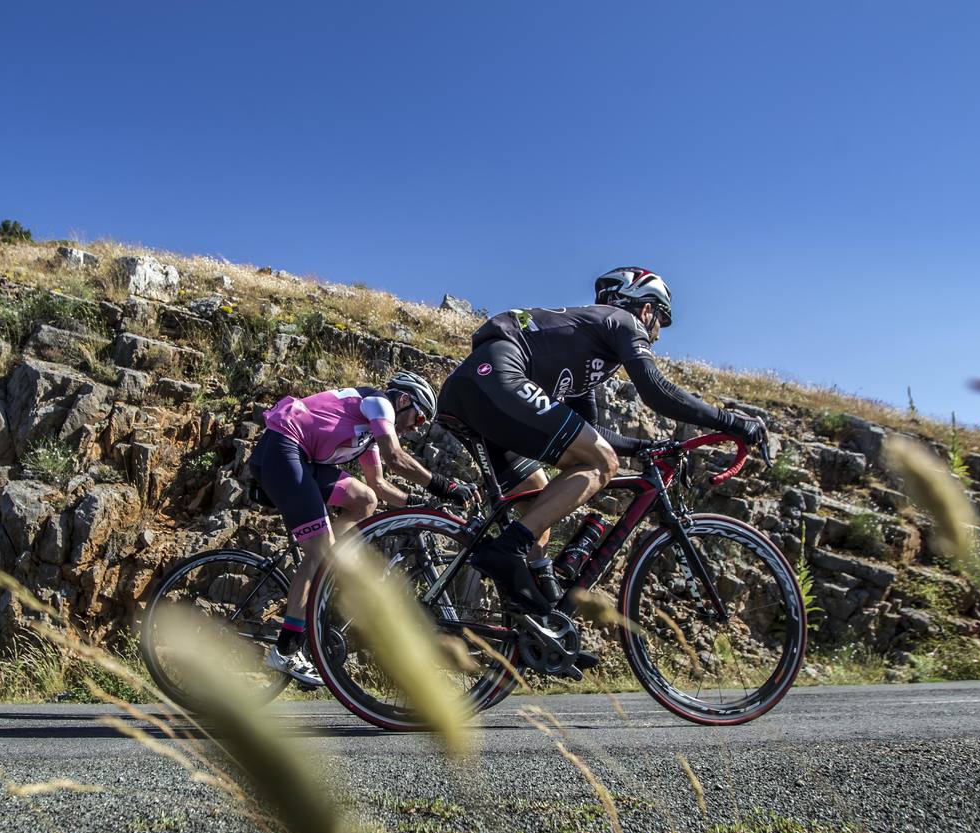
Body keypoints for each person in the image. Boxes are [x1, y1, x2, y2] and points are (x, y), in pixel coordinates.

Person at [437, 266, 766, 614]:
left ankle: (533, 615)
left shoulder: (590, 349)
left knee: (537, 506)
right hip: (498, 375)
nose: (657, 334)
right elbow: (657, 391)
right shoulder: (623, 322)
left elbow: (588, 432)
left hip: (473, 391)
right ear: (646, 309)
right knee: (602, 463)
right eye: (660, 321)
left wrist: (641, 448)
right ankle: (506, 551)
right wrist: (730, 422)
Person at [249, 372, 479, 684]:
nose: (417, 427)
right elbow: (395, 457)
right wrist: (445, 487)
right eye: (419, 416)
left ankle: (326, 560)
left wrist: (419, 504)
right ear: (402, 400)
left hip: (302, 459)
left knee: (364, 500)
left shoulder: (369, 433)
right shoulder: (378, 402)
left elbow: (380, 485)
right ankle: (286, 650)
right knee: (322, 554)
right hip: (283, 449)